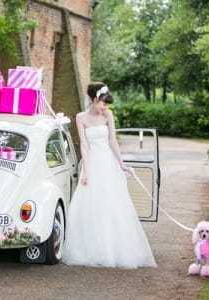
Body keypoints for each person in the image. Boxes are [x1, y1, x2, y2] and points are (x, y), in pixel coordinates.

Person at [61, 82, 156, 268]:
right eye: (103, 103)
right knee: (91, 205)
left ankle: (113, 249)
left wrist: (121, 163)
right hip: (93, 164)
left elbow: (112, 140)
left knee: (112, 204)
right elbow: (84, 145)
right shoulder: (81, 118)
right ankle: (93, 249)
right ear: (95, 99)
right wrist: (86, 170)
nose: (105, 107)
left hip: (108, 163)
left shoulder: (108, 115)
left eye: (107, 105)